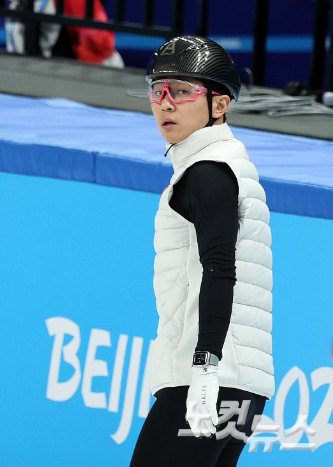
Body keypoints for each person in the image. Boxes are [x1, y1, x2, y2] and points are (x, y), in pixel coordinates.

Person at [130, 36, 274, 467]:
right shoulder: (226, 166)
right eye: (158, 90)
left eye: (183, 91)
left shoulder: (208, 172)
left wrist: (205, 368)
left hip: (207, 382)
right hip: (241, 387)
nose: (166, 103)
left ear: (220, 104)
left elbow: (220, 271)